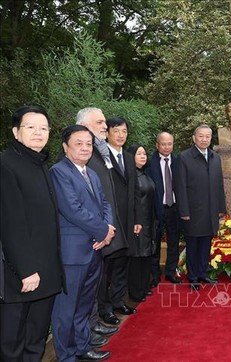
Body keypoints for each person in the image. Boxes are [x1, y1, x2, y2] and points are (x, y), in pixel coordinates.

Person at [0, 105, 65, 360]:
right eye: (31, 127)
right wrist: (26, 270)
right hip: (21, 277)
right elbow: (10, 222)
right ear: (16, 132)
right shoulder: (6, 164)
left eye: (43, 128)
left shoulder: (40, 164)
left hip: (46, 273)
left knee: (35, 339)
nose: (38, 133)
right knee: (12, 344)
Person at [50, 125, 115, 362]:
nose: (85, 148)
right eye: (79, 143)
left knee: (84, 306)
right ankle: (66, 356)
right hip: (73, 255)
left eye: (89, 143)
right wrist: (103, 231)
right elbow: (73, 210)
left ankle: (82, 347)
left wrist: (107, 230)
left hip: (95, 250)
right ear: (65, 147)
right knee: (66, 310)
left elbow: (105, 205)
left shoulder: (91, 173)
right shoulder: (59, 172)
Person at [76, 108, 121, 338]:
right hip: (86, 238)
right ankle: (87, 332)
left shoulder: (99, 153)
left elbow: (104, 197)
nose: (105, 126)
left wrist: (108, 227)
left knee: (95, 286)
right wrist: (101, 229)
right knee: (85, 291)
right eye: (100, 122)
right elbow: (79, 204)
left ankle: (93, 325)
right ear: (84, 125)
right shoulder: (80, 158)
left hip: (101, 233)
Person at [96, 116, 141, 323]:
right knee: (107, 268)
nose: (121, 135)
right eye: (116, 131)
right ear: (107, 134)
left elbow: (135, 191)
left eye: (124, 131)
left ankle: (118, 301)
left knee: (123, 263)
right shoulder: (100, 158)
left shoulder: (129, 157)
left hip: (128, 220)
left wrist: (137, 219)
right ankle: (104, 309)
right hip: (110, 221)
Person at [175, 124, 226, 290]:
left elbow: (219, 185)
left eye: (207, 137)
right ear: (194, 138)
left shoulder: (215, 157)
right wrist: (184, 211)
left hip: (211, 210)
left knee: (206, 244)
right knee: (193, 246)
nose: (204, 140)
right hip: (193, 211)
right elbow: (180, 186)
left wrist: (220, 207)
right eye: (201, 136)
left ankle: (203, 273)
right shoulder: (184, 157)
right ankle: (193, 277)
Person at [145, 132, 181, 286]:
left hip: (174, 208)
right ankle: (154, 275)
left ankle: (171, 272)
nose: (167, 147)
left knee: (174, 242)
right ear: (157, 144)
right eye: (163, 144)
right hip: (156, 209)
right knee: (155, 243)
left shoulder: (179, 161)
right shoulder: (149, 162)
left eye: (170, 144)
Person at [127, 144, 156, 301]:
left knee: (146, 255)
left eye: (144, 153)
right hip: (137, 222)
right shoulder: (130, 177)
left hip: (148, 221)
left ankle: (144, 287)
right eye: (139, 154)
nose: (143, 156)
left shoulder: (145, 174)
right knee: (136, 257)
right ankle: (135, 292)